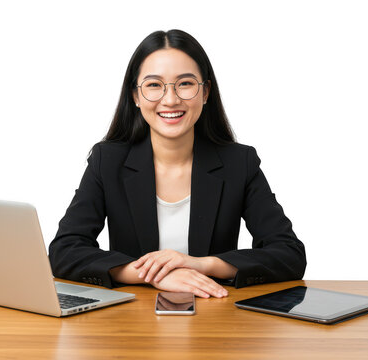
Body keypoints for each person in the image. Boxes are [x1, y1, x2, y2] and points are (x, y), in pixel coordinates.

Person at [48, 29, 306, 299]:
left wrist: (201, 264)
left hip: (214, 314)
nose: (170, 100)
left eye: (185, 83)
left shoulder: (239, 163)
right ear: (135, 96)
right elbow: (65, 251)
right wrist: (153, 275)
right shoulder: (107, 161)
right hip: (131, 319)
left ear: (205, 92)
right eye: (154, 85)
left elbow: (289, 254)